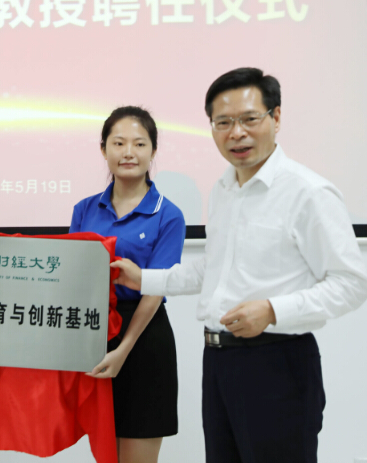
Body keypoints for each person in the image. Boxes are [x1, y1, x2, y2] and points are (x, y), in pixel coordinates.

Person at [111, 68, 367, 463]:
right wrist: (142, 278)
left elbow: (352, 282)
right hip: (219, 362)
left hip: (277, 362)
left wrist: (273, 310)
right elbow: (212, 269)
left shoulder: (308, 192)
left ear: (276, 117)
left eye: (249, 119)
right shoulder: (225, 189)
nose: (237, 133)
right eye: (224, 122)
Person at [69, 106, 186, 463]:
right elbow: (72, 275)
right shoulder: (84, 209)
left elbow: (156, 289)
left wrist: (124, 348)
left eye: (139, 143)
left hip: (144, 338)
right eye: (118, 143)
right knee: (105, 453)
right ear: (103, 149)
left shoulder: (168, 214)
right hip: (95, 334)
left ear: (153, 151)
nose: (128, 152)